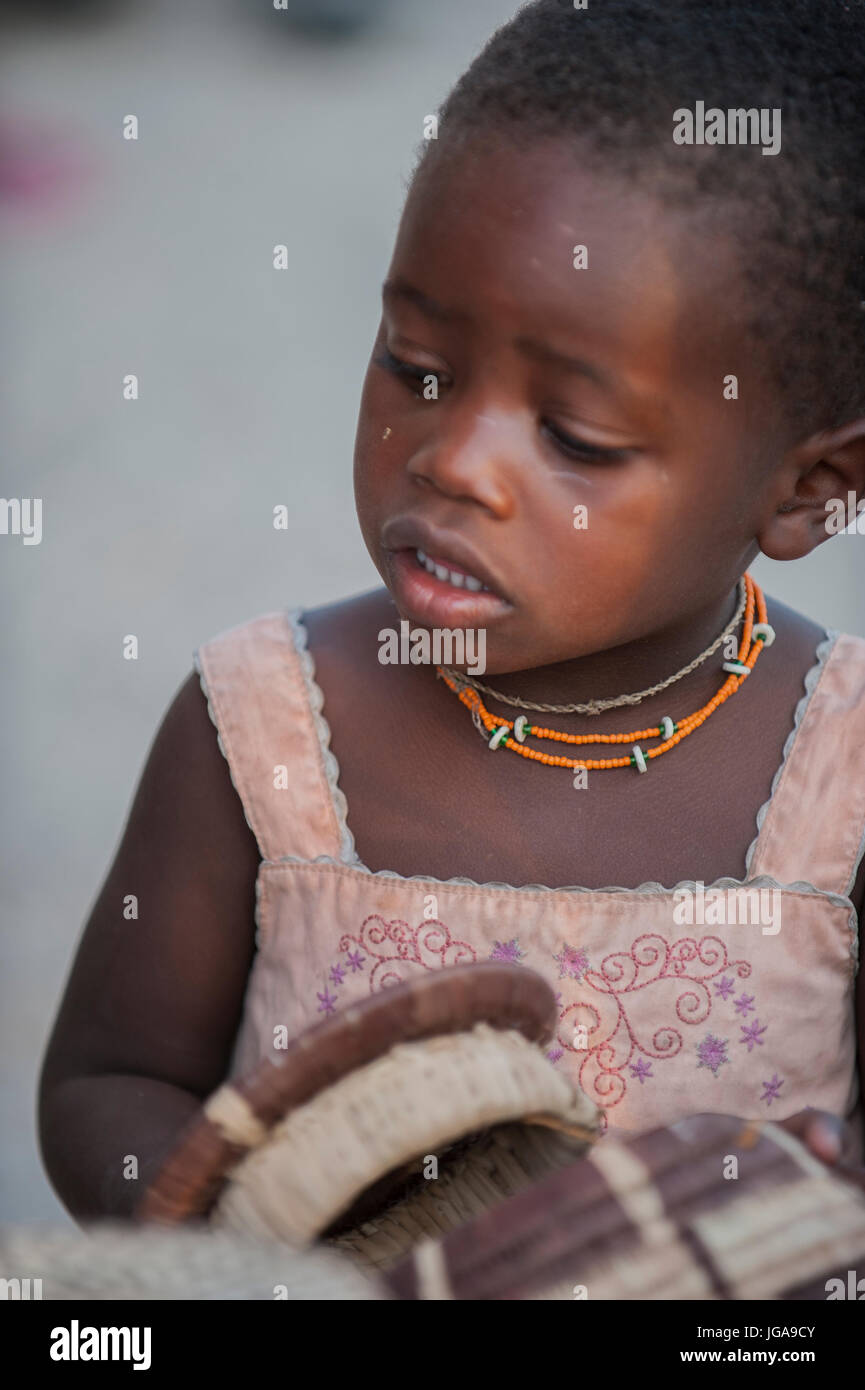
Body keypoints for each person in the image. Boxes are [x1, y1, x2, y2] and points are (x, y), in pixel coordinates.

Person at [39, 0, 865, 1220]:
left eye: (574, 437)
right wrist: (262, 1250)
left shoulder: (839, 783)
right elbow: (109, 1082)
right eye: (416, 367)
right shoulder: (265, 732)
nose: (453, 460)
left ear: (811, 491)